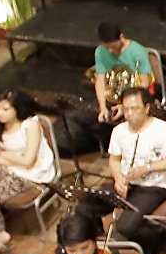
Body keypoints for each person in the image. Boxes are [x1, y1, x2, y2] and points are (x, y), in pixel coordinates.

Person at [0, 91, 59, 254]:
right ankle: (0, 233)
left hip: (32, 174)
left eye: (5, 109)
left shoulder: (30, 125)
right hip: (8, 168)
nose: (0, 113)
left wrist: (5, 154)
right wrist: (15, 158)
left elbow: (29, 161)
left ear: (16, 109)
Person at [106, 85, 166, 254]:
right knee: (87, 209)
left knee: (124, 226)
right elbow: (114, 159)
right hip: (127, 184)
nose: (129, 113)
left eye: (134, 109)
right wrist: (118, 179)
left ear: (147, 108)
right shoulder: (119, 131)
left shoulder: (165, 130)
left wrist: (148, 168)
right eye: (125, 109)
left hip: (153, 188)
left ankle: (152, 243)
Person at [62, 22, 158, 155]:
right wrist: (102, 107)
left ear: (121, 37)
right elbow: (100, 81)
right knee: (76, 116)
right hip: (112, 99)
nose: (110, 51)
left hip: (134, 99)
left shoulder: (137, 51)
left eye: (113, 47)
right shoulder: (100, 52)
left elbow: (144, 84)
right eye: (107, 47)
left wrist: (124, 106)